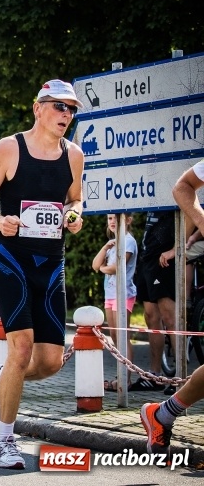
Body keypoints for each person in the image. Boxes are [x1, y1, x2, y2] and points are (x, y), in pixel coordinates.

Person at [0, 79, 84, 469]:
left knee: (51, 361)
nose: (66, 115)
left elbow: (75, 198)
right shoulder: (9, 148)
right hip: (12, 258)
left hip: (51, 261)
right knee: (21, 347)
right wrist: (0, 221)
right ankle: (4, 440)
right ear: (38, 108)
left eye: (71, 109)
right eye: (59, 106)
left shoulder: (74, 155)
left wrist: (74, 215)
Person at [141, 163, 204, 456]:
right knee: (160, 314)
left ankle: (163, 414)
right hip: (155, 257)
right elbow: (184, 186)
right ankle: (163, 413)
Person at [92, 213, 137, 390]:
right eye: (110, 218)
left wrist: (104, 268)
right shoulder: (112, 244)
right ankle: (121, 374)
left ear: (128, 220)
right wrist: (105, 247)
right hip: (110, 294)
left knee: (123, 337)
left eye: (116, 218)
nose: (112, 221)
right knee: (115, 337)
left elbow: (116, 267)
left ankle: (126, 380)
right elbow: (95, 265)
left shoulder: (128, 240)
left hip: (123, 293)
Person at [134, 210, 176, 391]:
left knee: (170, 317)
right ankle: (155, 374)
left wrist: (175, 249)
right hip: (147, 256)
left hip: (164, 257)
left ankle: (180, 377)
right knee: (151, 317)